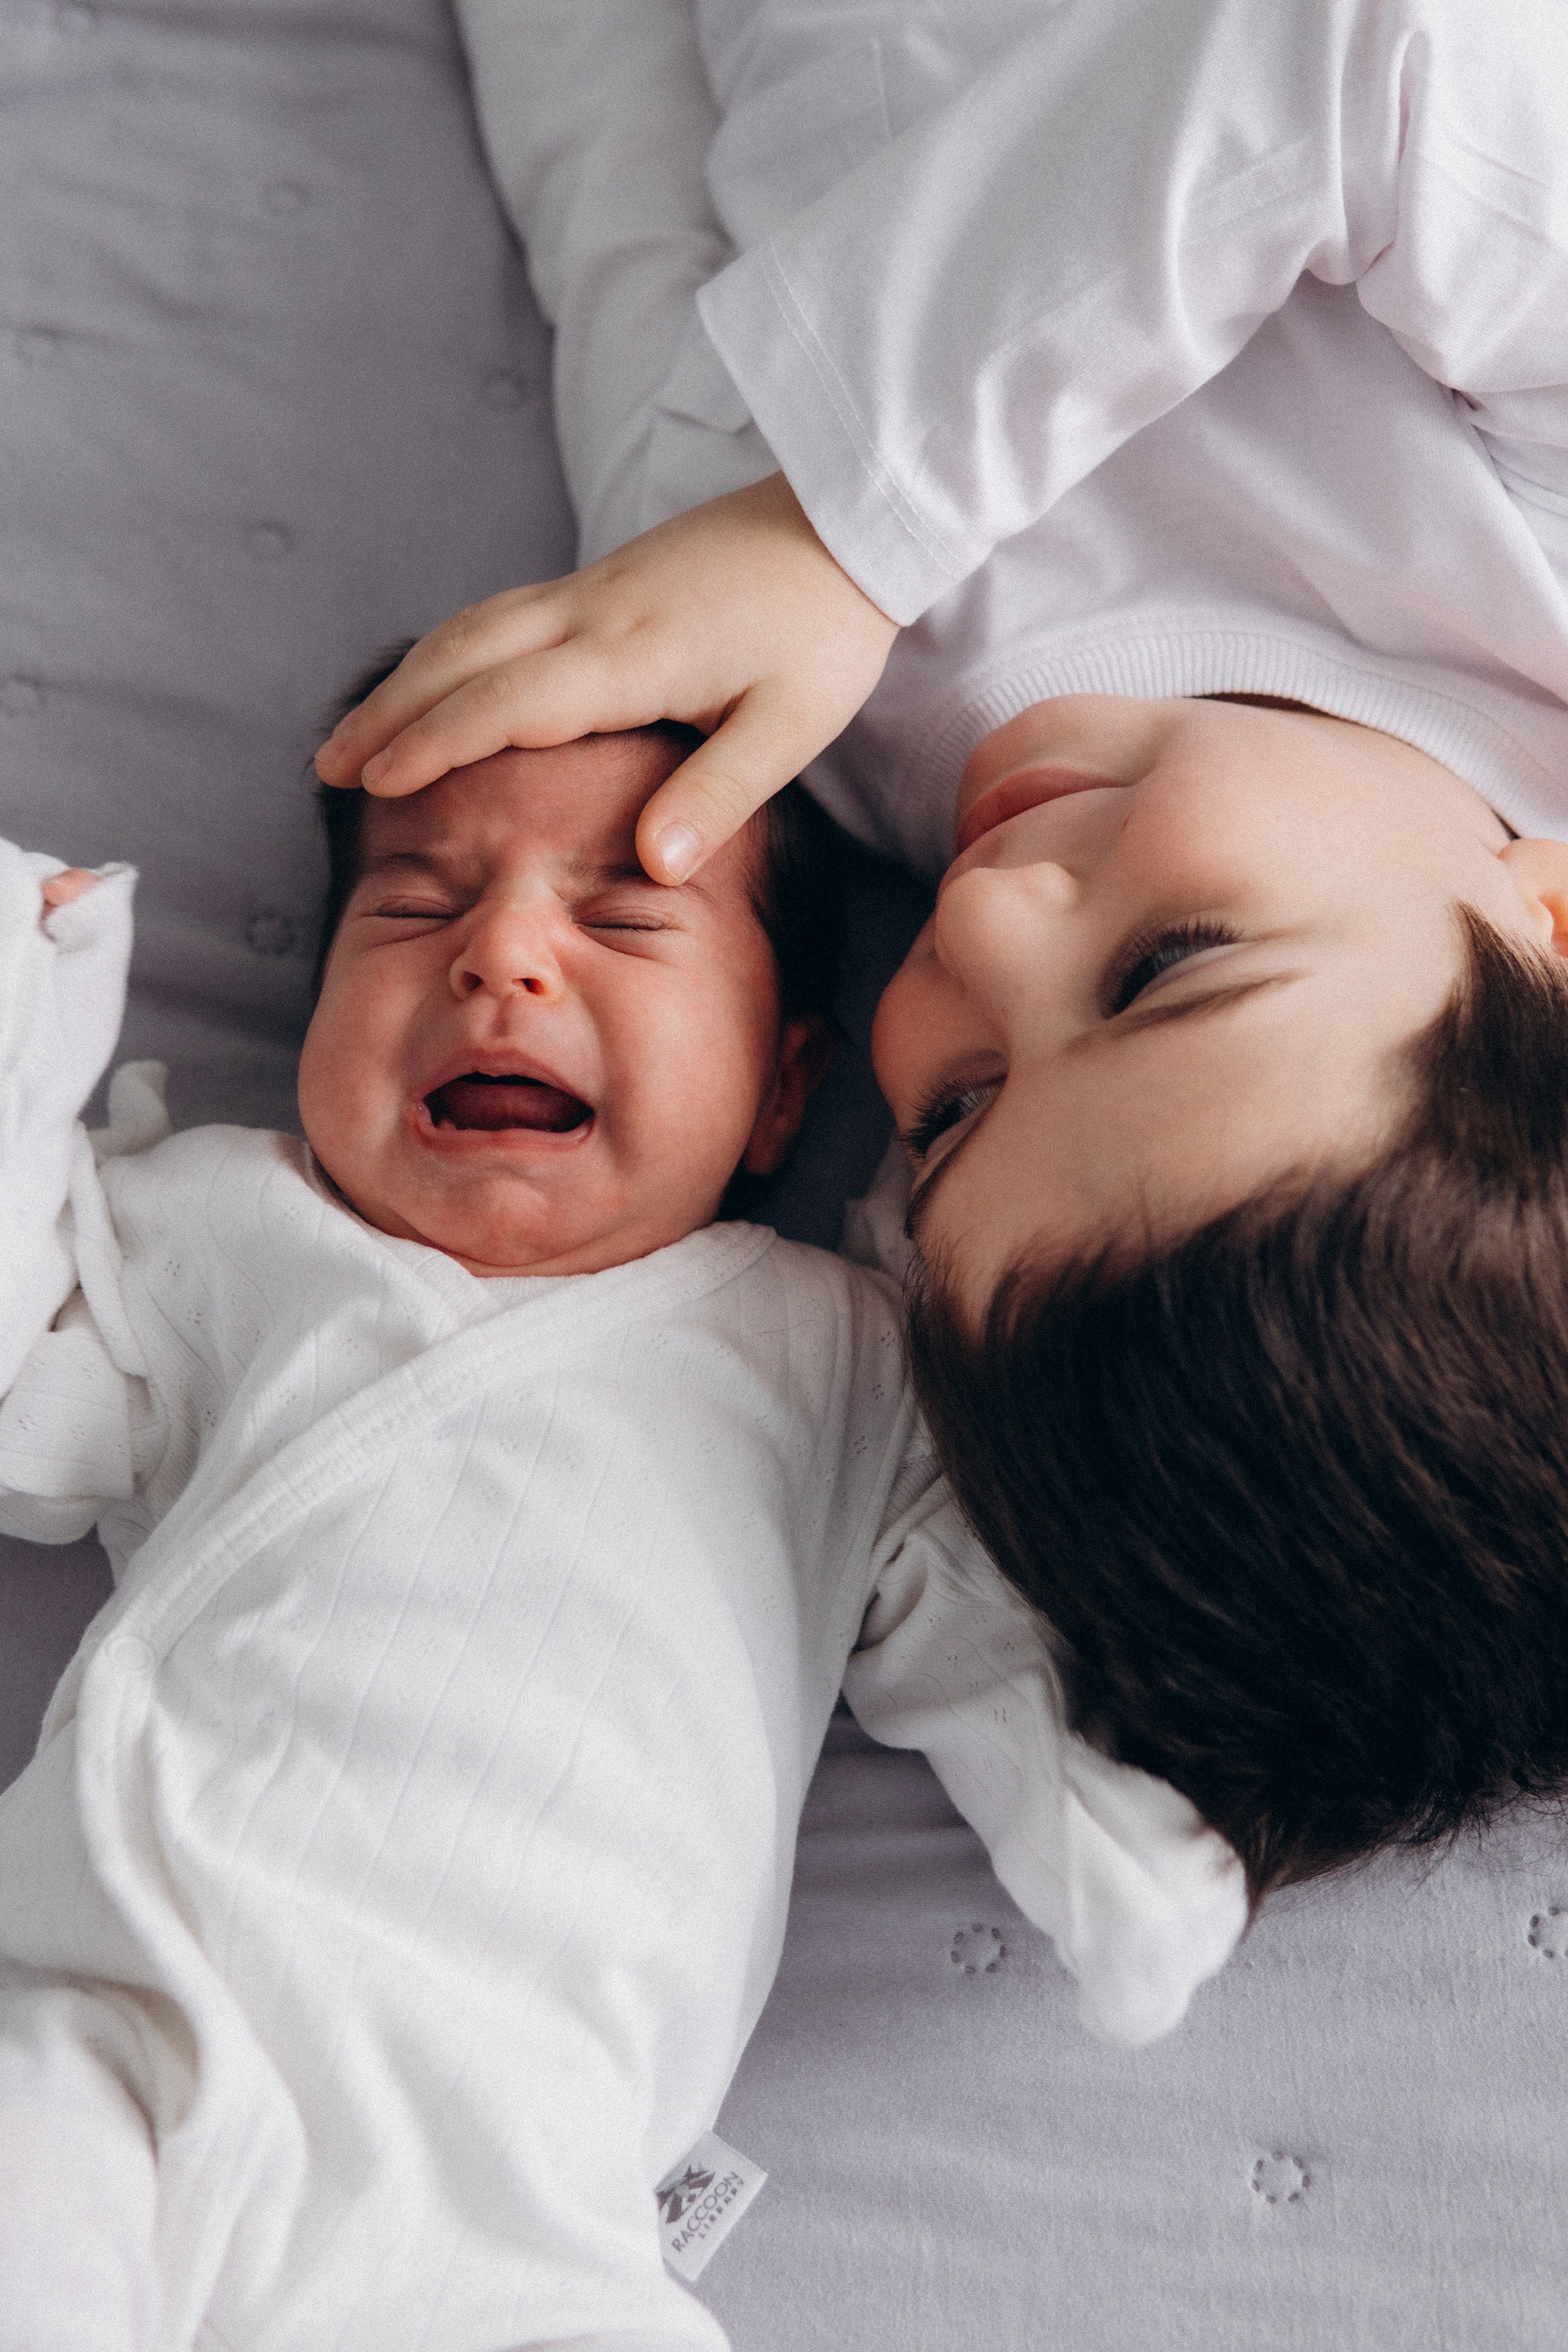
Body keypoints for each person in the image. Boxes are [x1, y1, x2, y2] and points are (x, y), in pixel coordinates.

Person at [314, 0, 1568, 1901]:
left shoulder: (792, 750)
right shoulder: (1527, 572)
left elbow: (631, 206)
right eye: (1170, 972)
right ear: (1549, 919)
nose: (982, 924)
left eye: (956, 1110)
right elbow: (1366, 45)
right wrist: (834, 522)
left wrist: (716, 540)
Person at [0, 715, 1243, 2352]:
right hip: (111, 2037)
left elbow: (985, 1602)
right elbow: (29, 1365)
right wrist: (30, 1007)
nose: (500, 957)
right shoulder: (231, 1229)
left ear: (789, 1084)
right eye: (413, 909)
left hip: (525, 2169)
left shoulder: (841, 1353)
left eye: (627, 918)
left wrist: (1130, 1843)